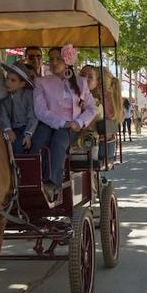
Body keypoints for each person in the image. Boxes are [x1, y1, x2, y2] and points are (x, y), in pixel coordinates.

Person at [33, 45, 96, 201]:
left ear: (67, 61)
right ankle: (31, 180)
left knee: (59, 141)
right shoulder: (41, 82)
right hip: (49, 123)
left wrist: (79, 122)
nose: (54, 63)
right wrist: (62, 123)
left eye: (58, 59)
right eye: (51, 59)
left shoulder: (81, 83)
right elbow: (40, 110)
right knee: (38, 140)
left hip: (72, 127)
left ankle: (53, 183)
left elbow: (91, 109)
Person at [0, 61, 39, 154]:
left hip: (26, 127)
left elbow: (33, 116)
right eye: (7, 78)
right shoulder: (4, 97)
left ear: (22, 84)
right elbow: (3, 115)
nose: (8, 82)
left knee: (18, 145)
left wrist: (28, 134)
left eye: (13, 80)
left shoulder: (28, 96)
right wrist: (8, 129)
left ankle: (20, 167)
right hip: (11, 128)